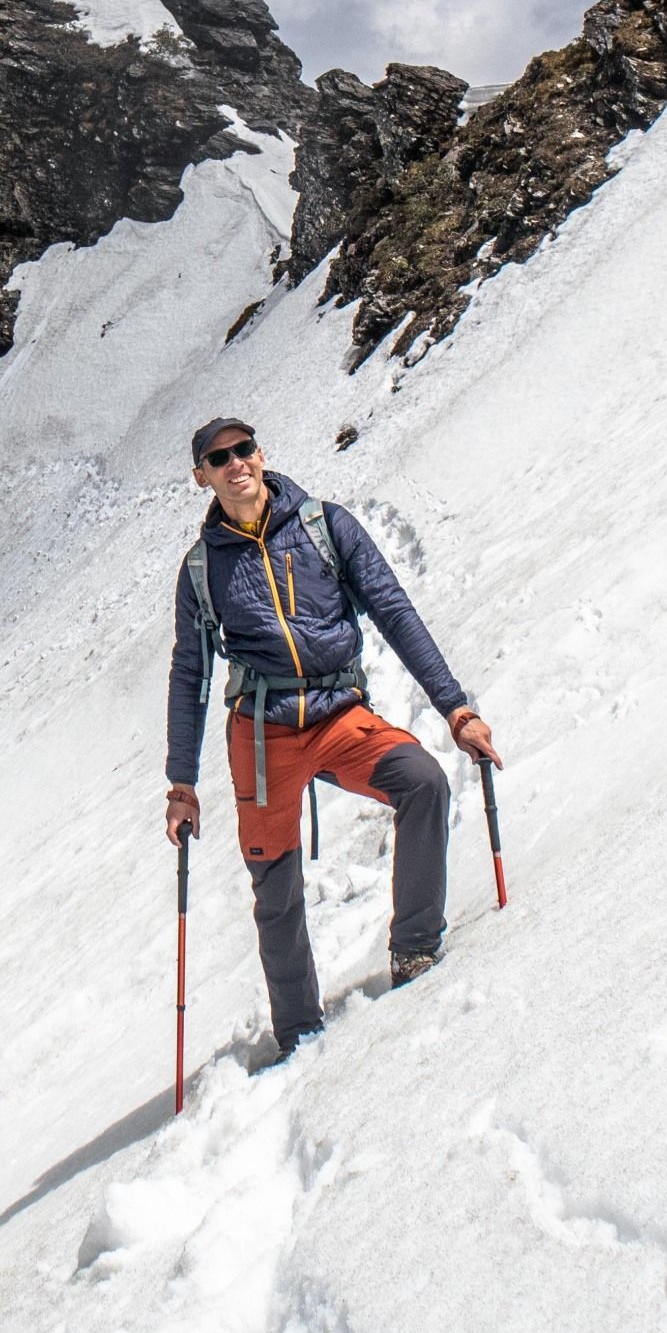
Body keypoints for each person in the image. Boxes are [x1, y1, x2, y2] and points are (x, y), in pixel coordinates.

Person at [165, 416, 502, 1052]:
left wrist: (455, 709)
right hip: (262, 737)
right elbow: (191, 675)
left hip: (337, 711)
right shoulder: (202, 569)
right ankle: (299, 1036)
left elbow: (393, 609)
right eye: (219, 458)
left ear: (261, 454)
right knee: (276, 884)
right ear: (201, 477)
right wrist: (181, 783)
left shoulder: (324, 525)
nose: (235, 463)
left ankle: (415, 952)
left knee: (423, 781)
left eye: (243, 450)